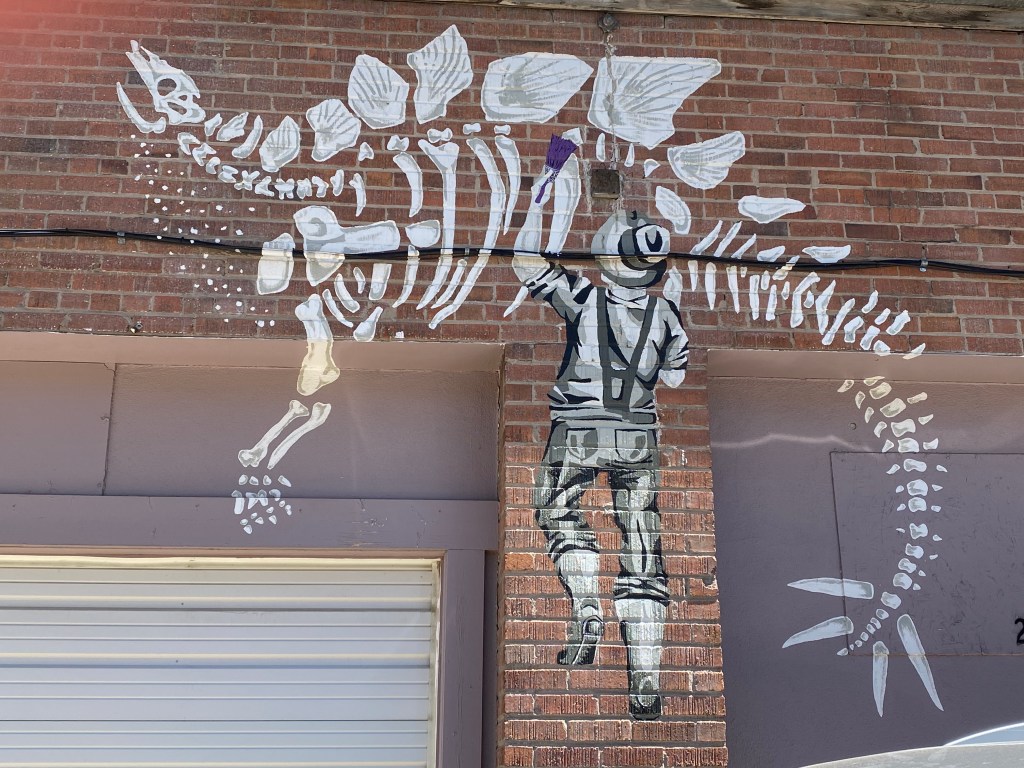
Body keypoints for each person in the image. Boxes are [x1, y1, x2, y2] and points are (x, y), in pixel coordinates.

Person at [512, 181, 689, 720]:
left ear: (608, 260)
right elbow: (675, 379)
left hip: (578, 429)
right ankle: (646, 676)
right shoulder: (666, 314)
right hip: (639, 435)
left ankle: (587, 604)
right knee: (643, 549)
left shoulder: (584, 298)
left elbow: (524, 261)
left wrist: (541, 195)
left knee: (558, 510)